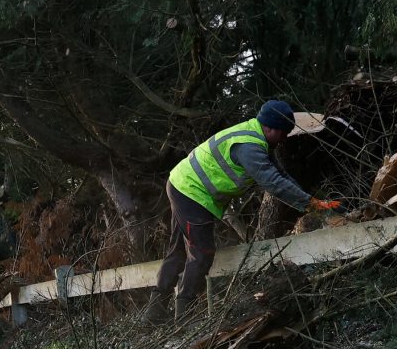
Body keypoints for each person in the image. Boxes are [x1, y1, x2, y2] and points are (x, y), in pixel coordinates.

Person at [144, 99, 339, 323]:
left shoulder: (256, 136)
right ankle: (184, 315)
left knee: (178, 250)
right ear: (270, 128)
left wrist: (310, 199)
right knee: (202, 252)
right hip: (191, 192)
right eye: (283, 133)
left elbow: (281, 175)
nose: (285, 138)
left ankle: (154, 311)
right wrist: (309, 204)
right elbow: (273, 183)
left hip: (184, 185)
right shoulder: (249, 147)